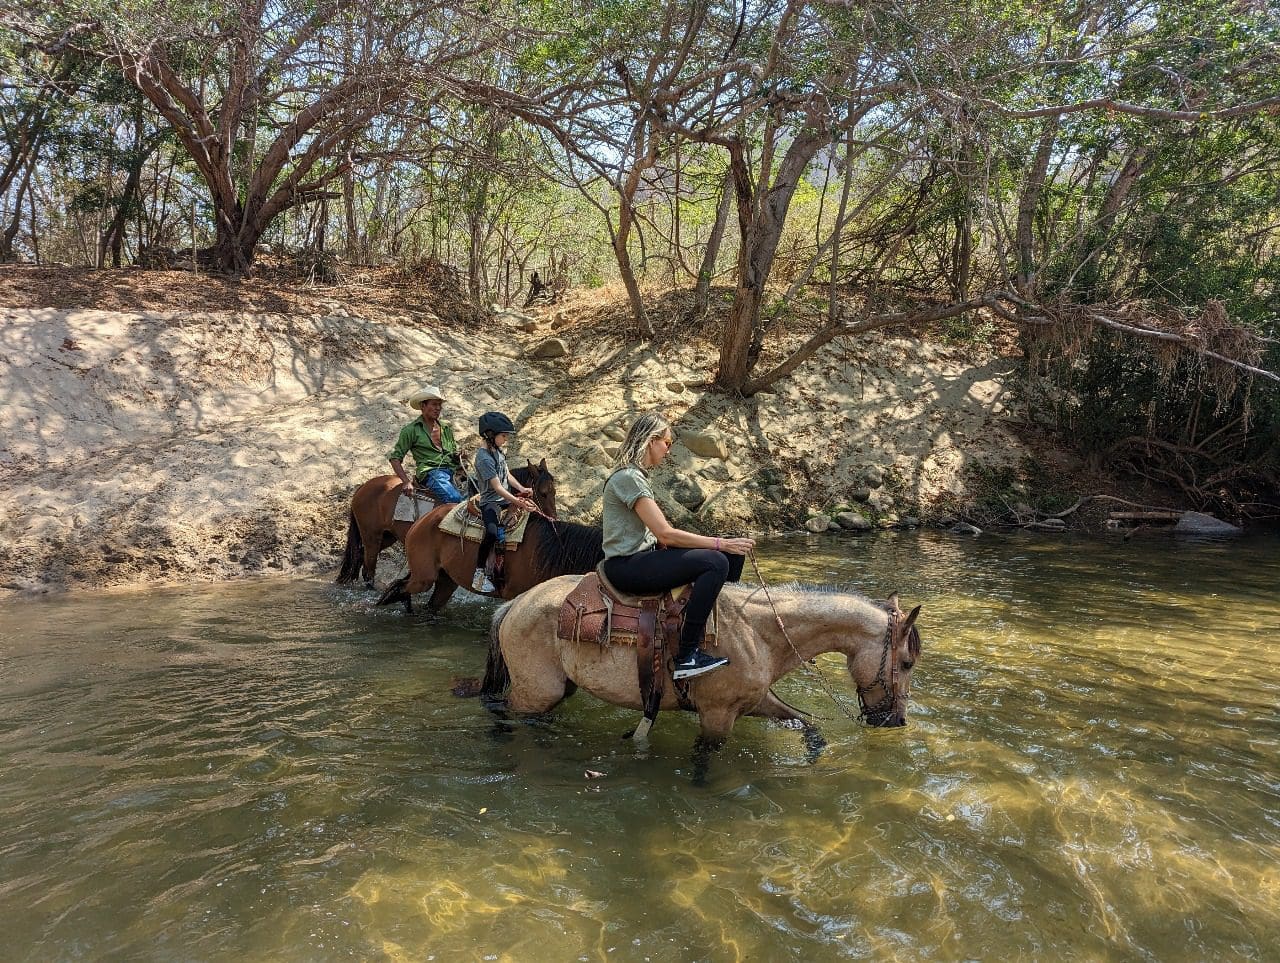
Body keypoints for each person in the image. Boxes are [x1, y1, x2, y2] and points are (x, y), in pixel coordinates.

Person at [601, 412, 755, 679]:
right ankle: (686, 656)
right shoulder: (628, 477)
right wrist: (720, 543)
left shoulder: (635, 476)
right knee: (716, 560)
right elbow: (665, 535)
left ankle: (712, 630)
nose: (668, 450)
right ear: (651, 441)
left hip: (641, 559)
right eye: (667, 443)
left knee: (730, 558)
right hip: (625, 567)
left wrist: (725, 545)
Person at [471, 411, 539, 593]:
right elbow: (497, 487)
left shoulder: (498, 451)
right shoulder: (483, 458)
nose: (506, 439)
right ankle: (478, 573)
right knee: (492, 532)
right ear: (490, 435)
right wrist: (517, 500)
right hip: (491, 501)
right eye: (503, 435)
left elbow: (507, 476)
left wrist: (522, 489)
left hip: (504, 498)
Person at [388, 386, 464, 504]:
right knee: (454, 498)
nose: (438, 408)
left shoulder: (446, 428)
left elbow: (453, 452)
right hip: (431, 473)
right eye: (434, 404)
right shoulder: (410, 430)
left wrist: (459, 455)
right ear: (423, 406)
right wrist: (406, 482)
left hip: (453, 471)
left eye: (439, 405)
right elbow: (395, 458)